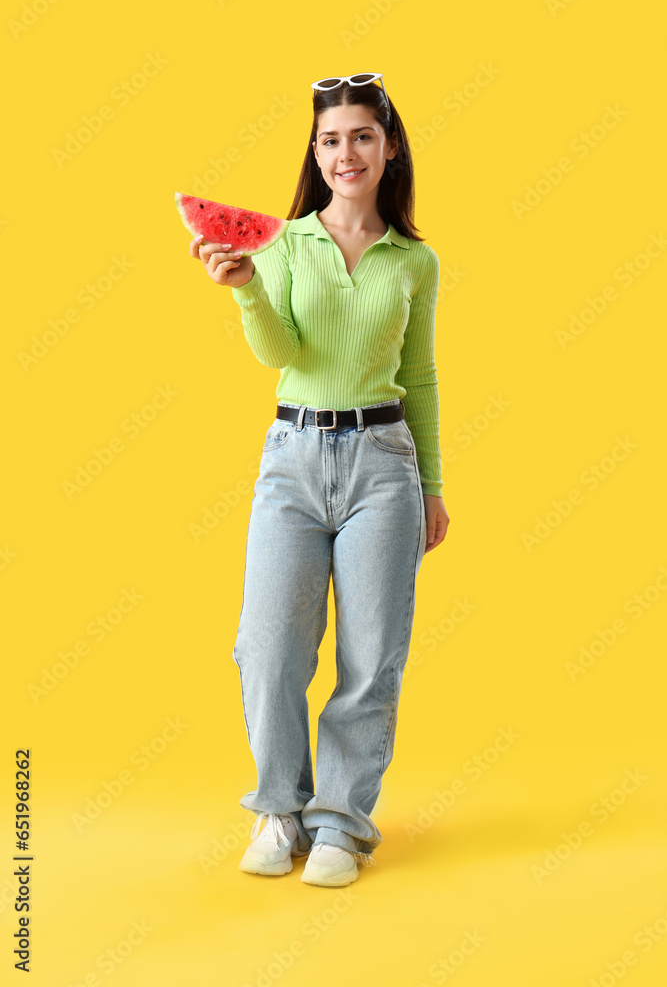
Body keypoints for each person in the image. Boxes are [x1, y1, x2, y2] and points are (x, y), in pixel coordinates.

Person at [189, 73, 450, 887]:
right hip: (292, 461)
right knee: (266, 651)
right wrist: (244, 294)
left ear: (388, 146)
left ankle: (340, 822)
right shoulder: (284, 244)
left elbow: (423, 373)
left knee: (371, 660)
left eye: (362, 137)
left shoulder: (415, 260)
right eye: (331, 139)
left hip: (384, 464)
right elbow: (279, 354)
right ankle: (279, 808)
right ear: (315, 151)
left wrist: (432, 486)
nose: (346, 153)